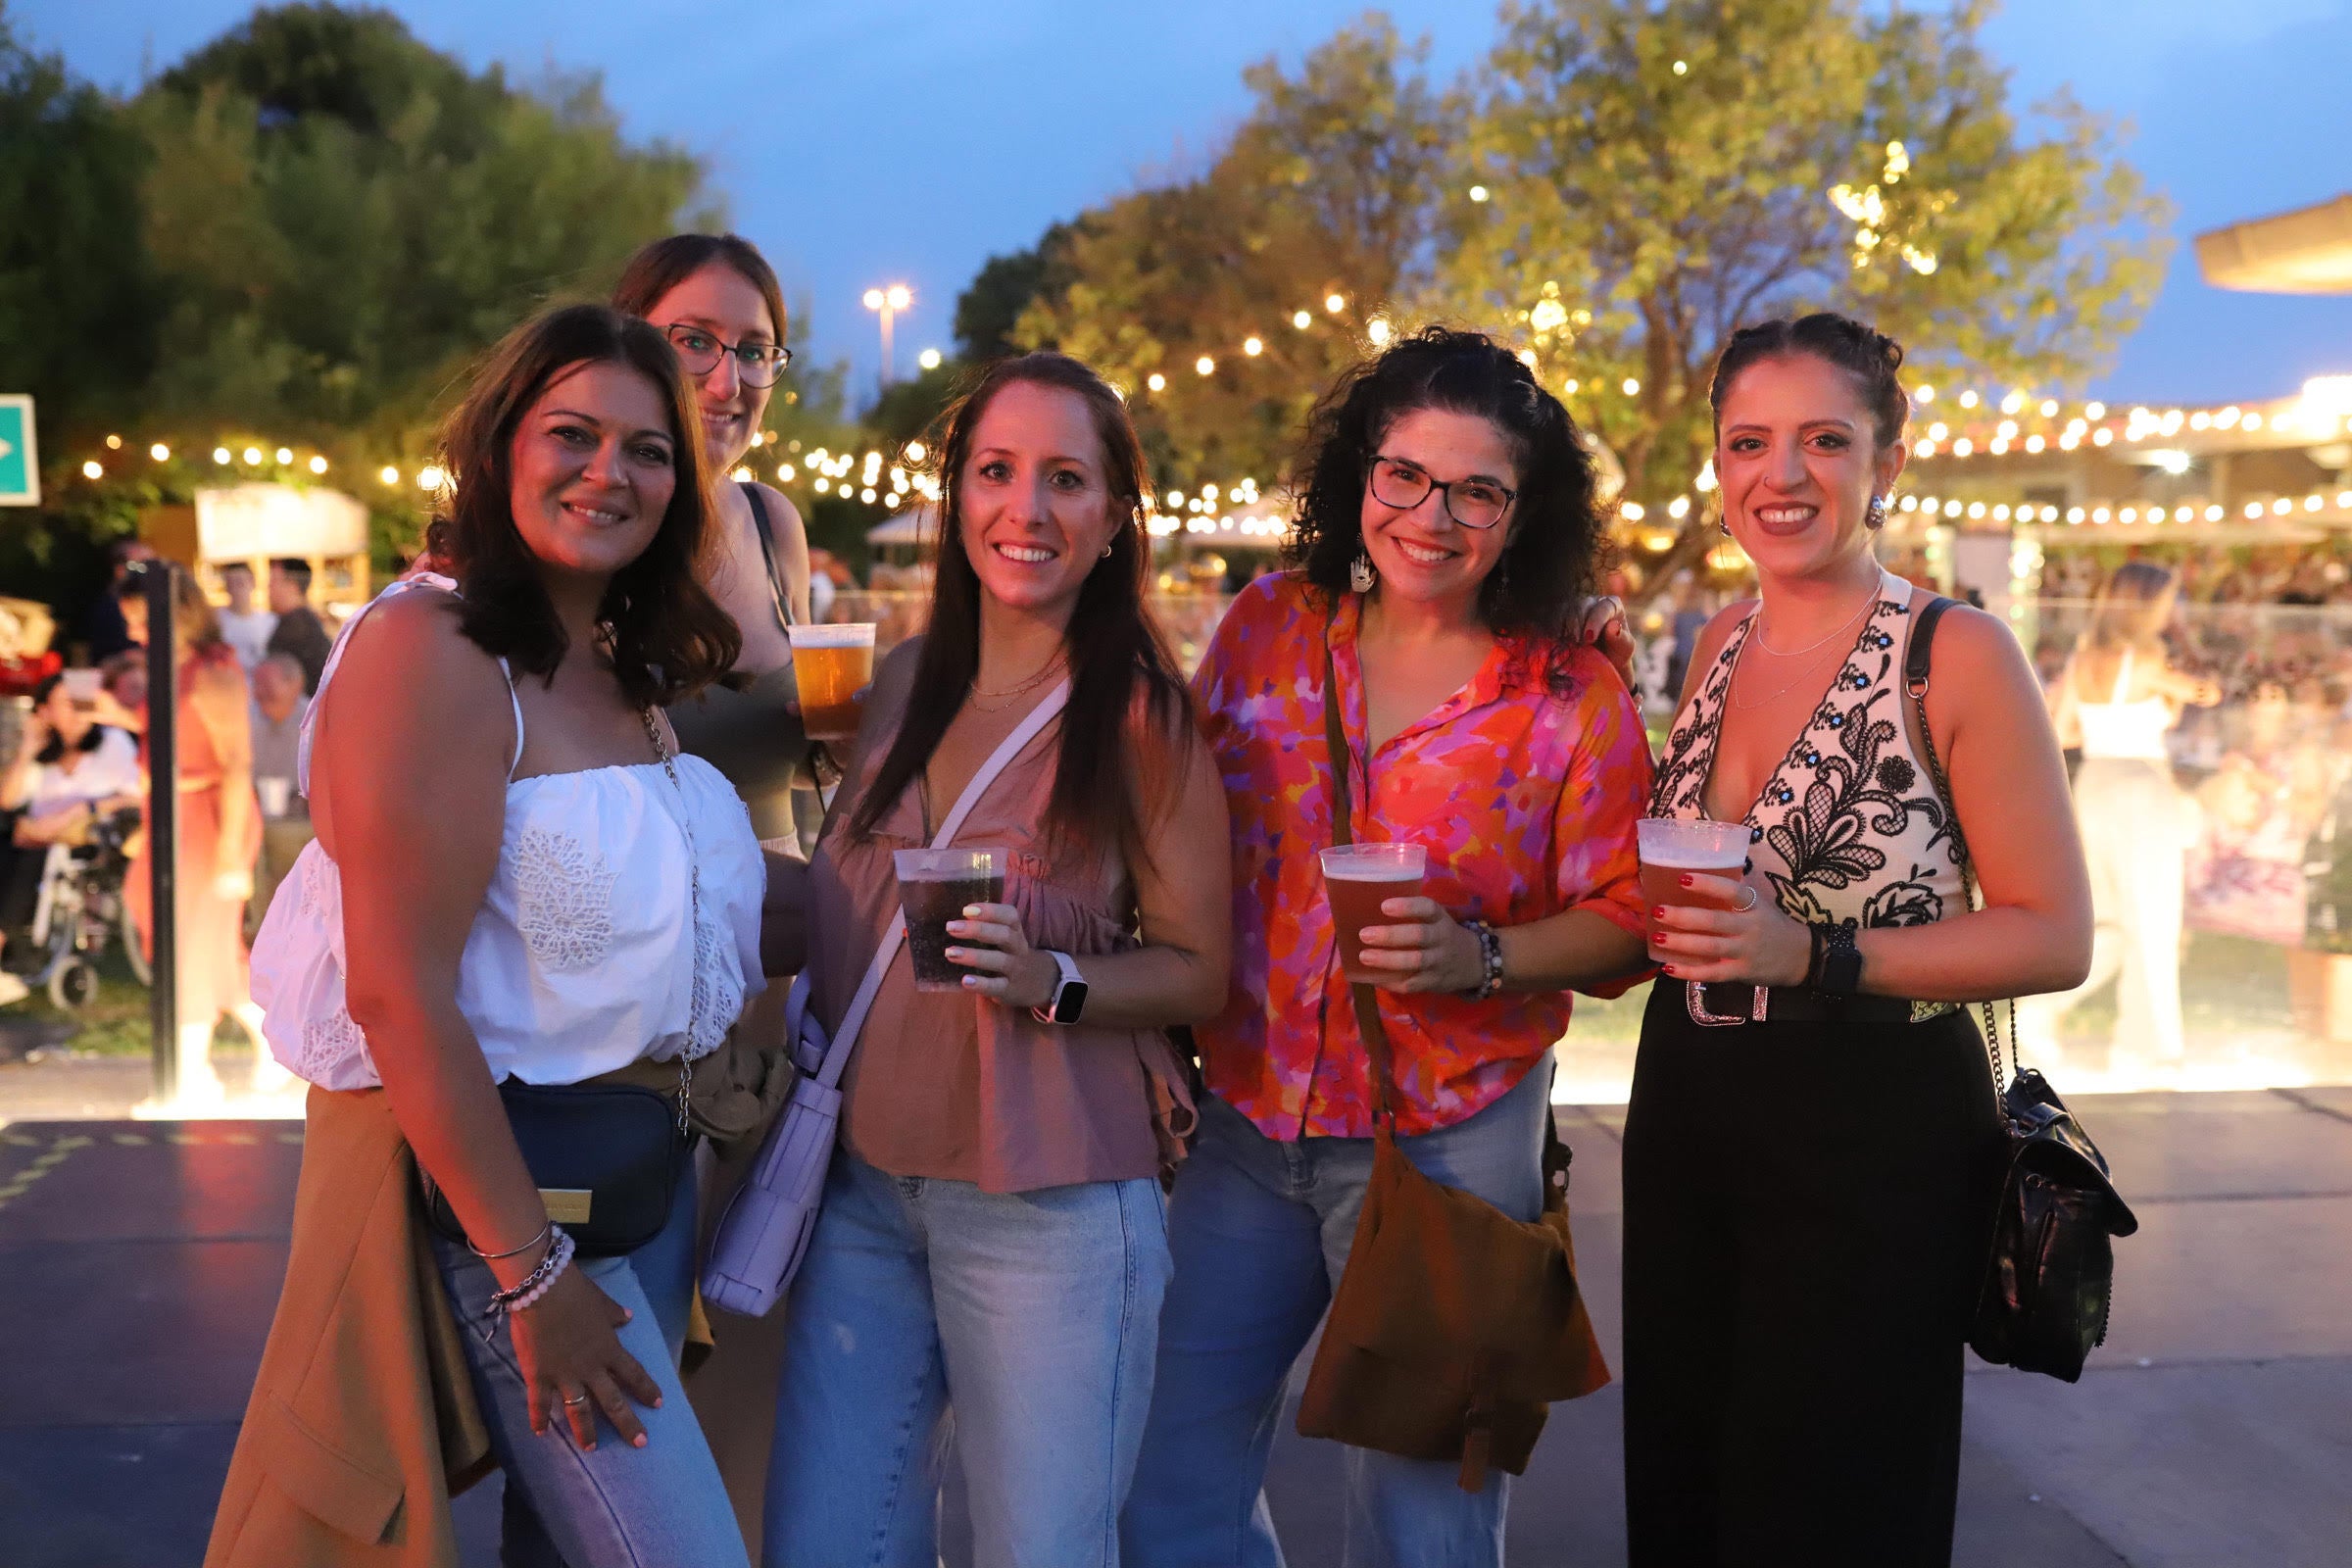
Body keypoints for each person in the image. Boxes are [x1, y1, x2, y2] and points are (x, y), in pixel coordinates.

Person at [217, 305, 795, 1568]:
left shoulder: (619, 658)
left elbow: (672, 910)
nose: (612, 471)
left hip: (648, 1187)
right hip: (517, 1209)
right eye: (573, 434)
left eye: (650, 450)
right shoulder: (431, 647)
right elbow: (397, 993)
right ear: (499, 447)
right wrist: (533, 1277)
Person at [1124, 327, 1653, 1567]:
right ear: (1360, 476)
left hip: (1450, 1138)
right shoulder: (1267, 625)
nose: (1435, 514)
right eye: (1406, 473)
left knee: (1428, 1520)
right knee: (1164, 1479)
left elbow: (1628, 918)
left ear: (1525, 513)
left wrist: (1481, 956)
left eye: (1480, 489)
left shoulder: (1569, 688)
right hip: (1246, 1123)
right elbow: (1174, 832)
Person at [1631, 313, 2093, 1565]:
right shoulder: (1719, 643)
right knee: (1685, 1471)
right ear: (1719, 469)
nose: (1781, 476)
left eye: (1823, 440)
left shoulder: (1953, 652)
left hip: (1870, 1121)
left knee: (1833, 1492)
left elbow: (2055, 933)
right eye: (1749, 443)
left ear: (1887, 462)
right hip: (1686, 1102)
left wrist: (1821, 955)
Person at [764, 352, 1231, 1568]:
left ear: (1116, 512)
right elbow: (847, 908)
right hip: (866, 1192)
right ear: (955, 494)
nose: (1025, 510)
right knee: (826, 1545)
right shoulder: (904, 681)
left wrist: (1055, 982)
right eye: (996, 471)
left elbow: (1197, 969)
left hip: (1054, 1204)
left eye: (1065, 478)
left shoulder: (1136, 714)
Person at [612, 233, 814, 849]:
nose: (727, 384)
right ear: (620, 343)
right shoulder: (582, 527)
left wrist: (845, 745)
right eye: (694, 342)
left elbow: (796, 764)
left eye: (754, 351)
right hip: (646, 935)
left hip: (784, 937)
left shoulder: (771, 523)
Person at [2019, 562, 2221, 1079]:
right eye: (2169, 600)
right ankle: (2148, 1048)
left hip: (2095, 786)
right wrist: (2187, 643)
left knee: (2107, 920)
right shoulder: (2147, 658)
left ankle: (2039, 1015)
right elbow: (2208, 692)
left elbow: (2060, 730)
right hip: (2140, 785)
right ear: (2149, 605)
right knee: (2153, 921)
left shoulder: (2085, 658)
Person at [117, 569, 270, 1101]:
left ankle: (191, 1068)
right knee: (174, 923)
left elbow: (236, 762)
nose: (135, 633)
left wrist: (231, 855)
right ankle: (275, 1044)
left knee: (194, 938)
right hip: (172, 815)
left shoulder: (213, 672)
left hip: (209, 816)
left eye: (141, 620)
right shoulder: (168, 669)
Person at [0, 672, 145, 1004]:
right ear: (45, 711)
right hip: (35, 836)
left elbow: (134, 796)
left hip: (86, 838)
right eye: (65, 703)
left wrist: (82, 809)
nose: (77, 709)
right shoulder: (44, 755)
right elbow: (8, 800)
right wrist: (26, 749)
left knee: (33, 859)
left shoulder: (112, 742)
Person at [245, 654, 311, 940]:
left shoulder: (315, 722)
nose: (259, 693)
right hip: (258, 819)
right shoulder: (249, 722)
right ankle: (264, 931)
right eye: (256, 685)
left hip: (303, 822)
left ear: (295, 685)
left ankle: (283, 930)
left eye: (267, 685)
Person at [264, 559, 332, 695]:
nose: (268, 588)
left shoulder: (295, 627)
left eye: (273, 582)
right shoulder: (307, 621)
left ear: (292, 586)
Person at [216, 563, 278, 670]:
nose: (236, 590)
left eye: (240, 583)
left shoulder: (271, 622)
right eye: (231, 584)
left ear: (252, 583)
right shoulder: (215, 621)